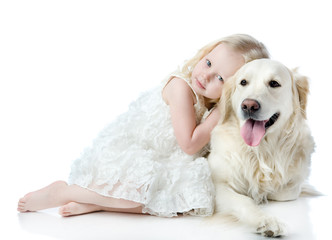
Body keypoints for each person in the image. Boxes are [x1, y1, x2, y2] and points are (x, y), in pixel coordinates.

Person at [17, 34, 269, 217]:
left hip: (166, 160)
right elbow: (190, 144)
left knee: (186, 200)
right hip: (134, 150)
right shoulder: (181, 87)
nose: (205, 75)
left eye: (221, 78)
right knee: (144, 192)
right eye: (209, 63)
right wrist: (220, 113)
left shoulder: (210, 105)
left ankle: (99, 203)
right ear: (203, 54)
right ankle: (64, 191)